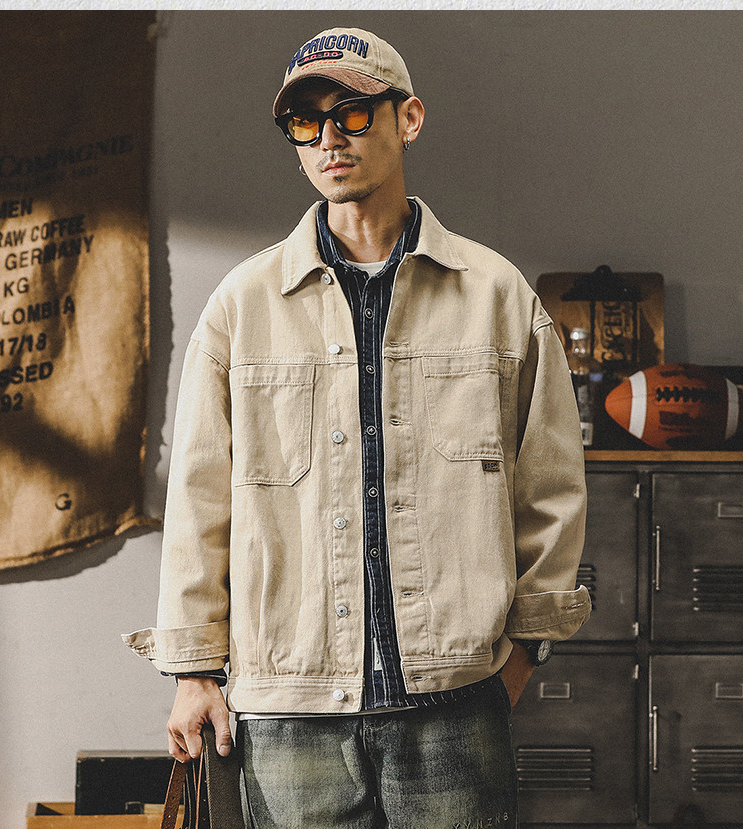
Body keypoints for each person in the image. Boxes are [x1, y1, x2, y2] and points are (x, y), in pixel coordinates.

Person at [123, 26, 591, 828]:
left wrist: (520, 655)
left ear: (408, 118)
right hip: (290, 710)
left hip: (454, 702)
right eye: (306, 122)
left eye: (352, 113)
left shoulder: (497, 296)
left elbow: (550, 486)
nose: (329, 139)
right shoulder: (242, 307)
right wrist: (194, 671)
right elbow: (200, 500)